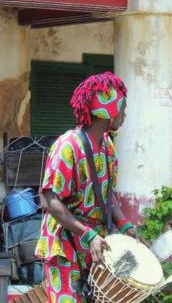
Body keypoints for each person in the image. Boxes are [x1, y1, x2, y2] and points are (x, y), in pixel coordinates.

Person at [34, 71, 146, 302]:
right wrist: (87, 234)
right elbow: (50, 200)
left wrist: (125, 226)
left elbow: (107, 197)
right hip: (64, 243)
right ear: (107, 109)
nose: (125, 114)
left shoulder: (108, 147)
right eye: (122, 107)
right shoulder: (67, 146)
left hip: (94, 243)